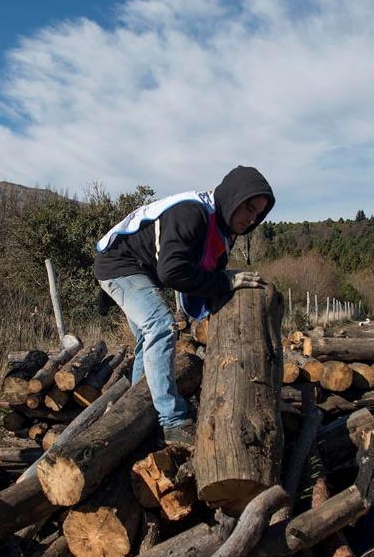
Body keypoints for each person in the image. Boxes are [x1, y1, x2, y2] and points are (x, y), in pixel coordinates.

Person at [94, 166, 275, 445]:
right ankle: (172, 420)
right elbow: (173, 271)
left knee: (147, 339)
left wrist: (222, 285)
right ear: (233, 197)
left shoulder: (222, 231)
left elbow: (206, 276)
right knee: (160, 327)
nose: (252, 219)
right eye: (248, 208)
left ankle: (137, 412)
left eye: (258, 214)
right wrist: (225, 282)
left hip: (140, 270)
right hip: (121, 266)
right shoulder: (193, 213)